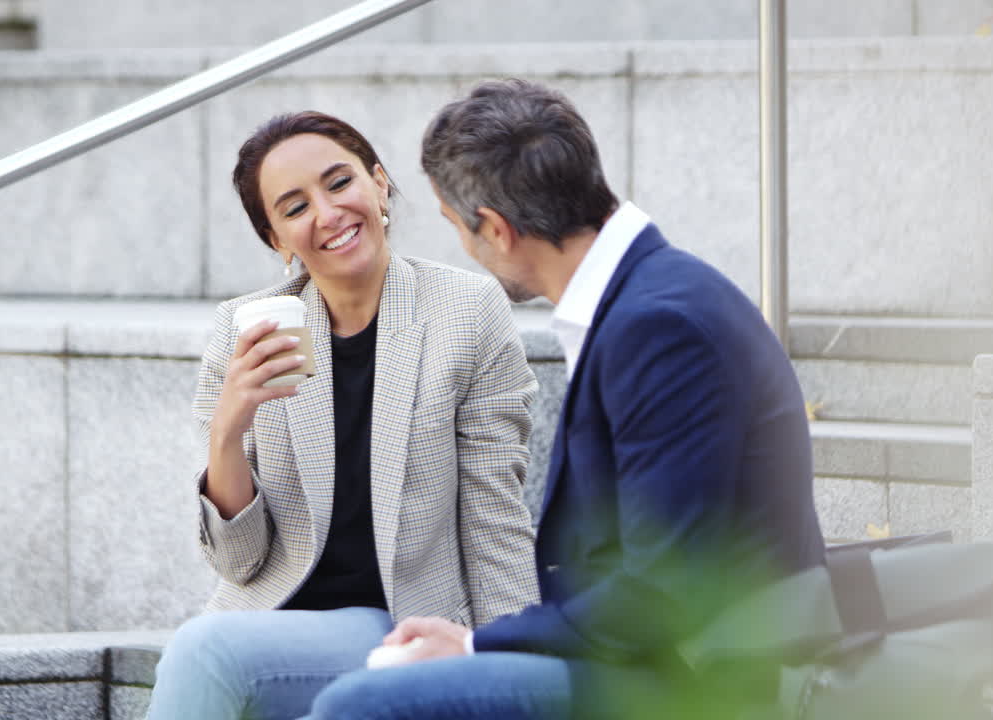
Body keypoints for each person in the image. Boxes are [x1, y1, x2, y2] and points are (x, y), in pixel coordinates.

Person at [304, 79, 826, 719]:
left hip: (698, 683)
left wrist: (473, 644)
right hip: (646, 659)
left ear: (496, 229)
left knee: (360, 706)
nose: (466, 251)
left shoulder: (658, 326)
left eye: (457, 228)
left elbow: (663, 594)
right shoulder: (646, 296)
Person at [145, 111, 541, 720]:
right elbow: (239, 562)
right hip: (273, 622)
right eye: (294, 207)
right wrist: (229, 430)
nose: (328, 214)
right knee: (206, 651)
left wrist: (514, 662)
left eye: (338, 183)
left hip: (404, 619)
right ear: (277, 239)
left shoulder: (466, 311)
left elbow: (495, 515)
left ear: (379, 183)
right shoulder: (245, 329)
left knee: (204, 653)